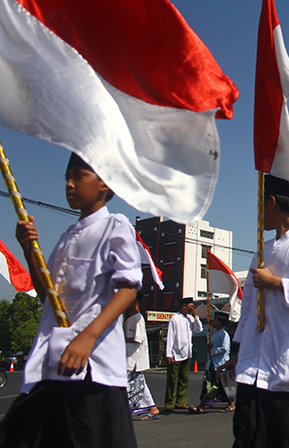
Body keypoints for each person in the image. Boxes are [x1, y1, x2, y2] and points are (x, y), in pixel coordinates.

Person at [0, 153, 142, 447]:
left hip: (93, 369)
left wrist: (87, 337)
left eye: (79, 176)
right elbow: (48, 296)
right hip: (54, 361)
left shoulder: (115, 226)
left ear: (104, 183)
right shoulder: (66, 236)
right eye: (67, 177)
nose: (69, 184)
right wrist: (28, 249)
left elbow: (129, 288)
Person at [220, 174, 289, 448]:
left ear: (271, 202)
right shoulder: (262, 251)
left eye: (261, 205)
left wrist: (278, 283)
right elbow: (248, 309)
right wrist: (239, 352)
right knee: (248, 434)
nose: (259, 214)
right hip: (255, 364)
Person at [164, 297, 203, 412]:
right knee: (172, 379)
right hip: (175, 353)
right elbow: (170, 336)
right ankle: (169, 403)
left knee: (184, 379)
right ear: (183, 306)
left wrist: (196, 316)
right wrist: (168, 354)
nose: (192, 308)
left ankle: (181, 402)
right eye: (190, 306)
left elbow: (199, 329)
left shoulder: (190, 319)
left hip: (187, 353)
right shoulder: (175, 319)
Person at [125, 292, 159, 420]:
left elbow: (137, 339)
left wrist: (124, 338)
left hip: (134, 359)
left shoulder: (138, 319)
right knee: (140, 384)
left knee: (127, 383)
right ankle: (152, 407)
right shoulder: (129, 319)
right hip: (128, 357)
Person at [192, 311, 232, 413]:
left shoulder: (224, 334)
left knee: (221, 385)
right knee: (208, 383)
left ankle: (230, 404)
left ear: (220, 322)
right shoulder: (215, 334)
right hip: (212, 363)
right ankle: (202, 405)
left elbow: (225, 348)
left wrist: (212, 350)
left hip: (220, 363)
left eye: (215, 320)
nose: (213, 322)